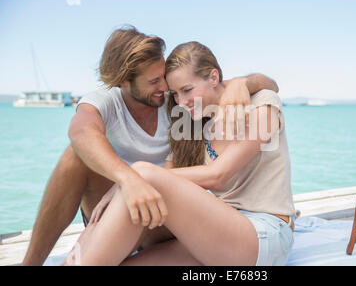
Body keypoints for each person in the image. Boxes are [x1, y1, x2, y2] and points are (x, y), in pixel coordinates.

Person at [22, 26, 279, 266]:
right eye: (154, 81)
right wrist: (127, 180)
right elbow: (81, 131)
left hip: (195, 220)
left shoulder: (186, 103)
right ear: (124, 81)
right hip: (131, 210)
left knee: (144, 175)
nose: (167, 89)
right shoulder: (116, 103)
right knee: (76, 156)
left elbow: (233, 88)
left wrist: (242, 83)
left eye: (165, 79)